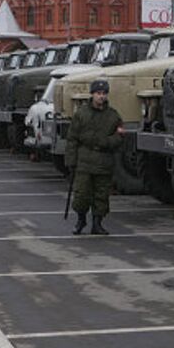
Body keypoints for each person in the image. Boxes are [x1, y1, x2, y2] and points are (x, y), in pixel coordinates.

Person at [65, 79, 124, 235]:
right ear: (92, 94)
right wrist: (71, 161)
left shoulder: (113, 116)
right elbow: (72, 139)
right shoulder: (81, 114)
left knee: (101, 195)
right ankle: (80, 220)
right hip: (84, 161)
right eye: (98, 93)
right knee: (81, 195)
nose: (101, 97)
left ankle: (97, 223)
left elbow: (119, 137)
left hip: (103, 161)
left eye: (104, 93)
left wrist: (106, 142)